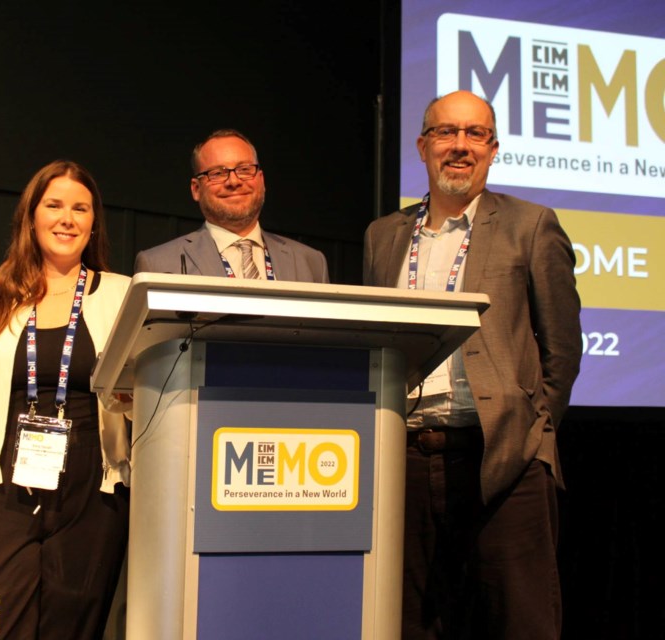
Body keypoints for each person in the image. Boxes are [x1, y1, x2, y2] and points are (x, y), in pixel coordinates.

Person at [363, 90, 581, 639]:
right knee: (407, 620)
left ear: (493, 149)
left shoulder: (531, 225)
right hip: (405, 455)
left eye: (475, 134)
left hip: (503, 459)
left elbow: (562, 347)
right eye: (446, 132)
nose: (460, 146)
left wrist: (533, 430)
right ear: (422, 146)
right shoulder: (383, 235)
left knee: (519, 622)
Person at [0, 160, 131, 640]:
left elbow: (145, 394)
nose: (67, 219)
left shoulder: (122, 295)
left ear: (94, 222)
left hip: (92, 493)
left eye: (81, 208)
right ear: (30, 216)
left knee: (72, 628)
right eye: (54, 205)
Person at [134, 128, 329, 282]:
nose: (234, 181)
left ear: (261, 180)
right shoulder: (157, 264)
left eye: (244, 169)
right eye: (218, 173)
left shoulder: (311, 263)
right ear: (196, 189)